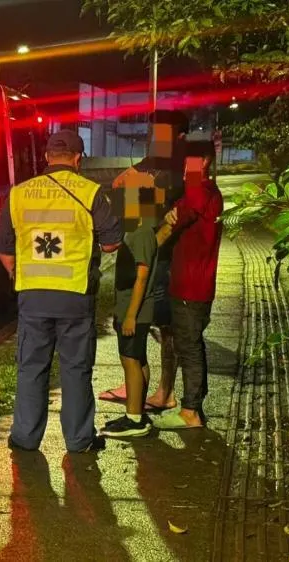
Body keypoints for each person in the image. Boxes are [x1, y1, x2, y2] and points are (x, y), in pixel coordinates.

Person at [0, 129, 123, 453]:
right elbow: (111, 242)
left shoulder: (19, 194)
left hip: (33, 296)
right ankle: (79, 440)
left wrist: (19, 274)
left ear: (47, 157)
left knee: (31, 367)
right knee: (76, 369)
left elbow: (4, 247)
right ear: (78, 158)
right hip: (74, 296)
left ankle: (24, 438)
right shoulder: (91, 193)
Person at [98, 110, 190, 411]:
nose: (154, 137)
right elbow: (125, 189)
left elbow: (160, 211)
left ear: (179, 136)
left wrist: (139, 193)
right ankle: (136, 380)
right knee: (137, 320)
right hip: (143, 251)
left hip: (165, 258)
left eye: (161, 132)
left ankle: (165, 391)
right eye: (152, 132)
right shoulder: (153, 164)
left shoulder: (182, 168)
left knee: (163, 324)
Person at [153, 139, 224, 430]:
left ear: (205, 161)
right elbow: (176, 214)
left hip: (190, 286)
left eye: (190, 160)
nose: (184, 166)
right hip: (196, 284)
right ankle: (190, 405)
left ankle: (191, 411)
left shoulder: (199, 190)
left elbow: (171, 226)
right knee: (189, 345)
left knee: (189, 347)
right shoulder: (205, 191)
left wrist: (144, 253)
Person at [100, 201, 176, 438]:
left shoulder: (140, 234)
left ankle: (134, 419)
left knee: (130, 359)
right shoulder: (140, 232)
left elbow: (142, 277)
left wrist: (131, 316)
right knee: (138, 359)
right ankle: (136, 412)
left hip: (135, 311)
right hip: (131, 308)